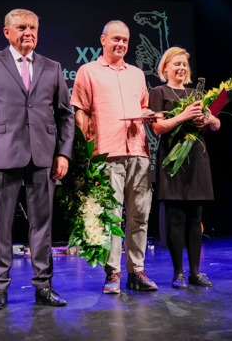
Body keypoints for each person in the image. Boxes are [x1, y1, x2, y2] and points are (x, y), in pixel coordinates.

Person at [0, 9, 74, 309]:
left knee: (43, 225)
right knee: (1, 225)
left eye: (33, 27)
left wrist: (63, 153)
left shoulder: (52, 67)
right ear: (7, 32)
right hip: (2, 155)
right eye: (22, 27)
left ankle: (44, 286)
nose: (28, 32)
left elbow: (65, 115)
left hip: (43, 157)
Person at [70, 20, 157, 294]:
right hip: (106, 152)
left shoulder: (137, 74)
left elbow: (144, 106)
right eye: (116, 39)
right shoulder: (88, 71)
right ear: (103, 40)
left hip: (138, 151)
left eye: (125, 40)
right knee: (112, 216)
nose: (121, 44)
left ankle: (137, 270)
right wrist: (84, 149)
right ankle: (114, 273)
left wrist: (146, 114)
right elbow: (80, 110)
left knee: (140, 215)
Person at [149, 47, 220, 288]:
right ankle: (178, 273)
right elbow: (158, 127)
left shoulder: (197, 93)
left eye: (184, 65)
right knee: (176, 218)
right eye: (176, 64)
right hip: (172, 159)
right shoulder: (158, 92)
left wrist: (209, 119)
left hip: (197, 159)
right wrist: (183, 116)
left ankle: (195, 273)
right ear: (165, 67)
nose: (181, 68)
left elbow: (217, 123)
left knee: (196, 217)